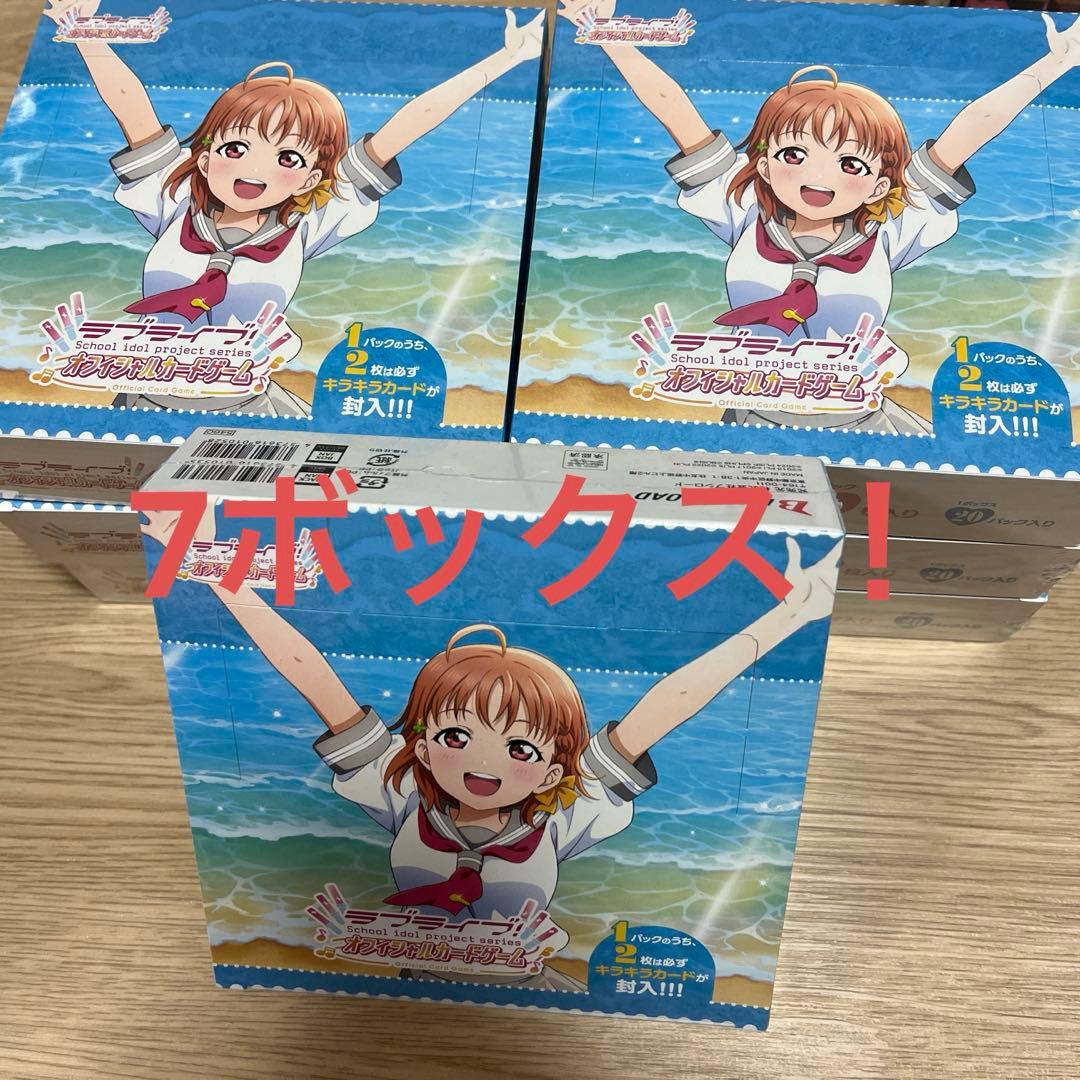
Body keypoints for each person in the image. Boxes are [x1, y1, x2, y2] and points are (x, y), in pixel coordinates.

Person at [140, 505, 840, 989]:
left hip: (525, 992)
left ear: (556, 764)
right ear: (420, 743)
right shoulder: (402, 790)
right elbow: (311, 673)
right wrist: (215, 569)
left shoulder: (565, 812)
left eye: (521, 750)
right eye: (455, 736)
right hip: (405, 978)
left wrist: (788, 618)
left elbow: (668, 703)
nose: (483, 764)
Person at [558, 0, 1080, 433]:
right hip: (751, 412)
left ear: (880, 184)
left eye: (851, 164)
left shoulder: (892, 227)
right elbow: (672, 105)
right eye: (794, 154)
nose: (818, 178)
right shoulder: (744, 210)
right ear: (764, 164)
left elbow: (974, 125)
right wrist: (608, 35)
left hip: (859, 420)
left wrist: (1054, 64)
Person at [44, 0, 545, 415]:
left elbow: (407, 124)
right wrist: (84, 32)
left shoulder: (311, 220)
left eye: (287, 157)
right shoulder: (174, 202)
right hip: (143, 396)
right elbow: (131, 104)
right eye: (236, 148)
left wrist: (504, 60)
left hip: (245, 407)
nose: (253, 171)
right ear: (206, 157)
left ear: (310, 177)